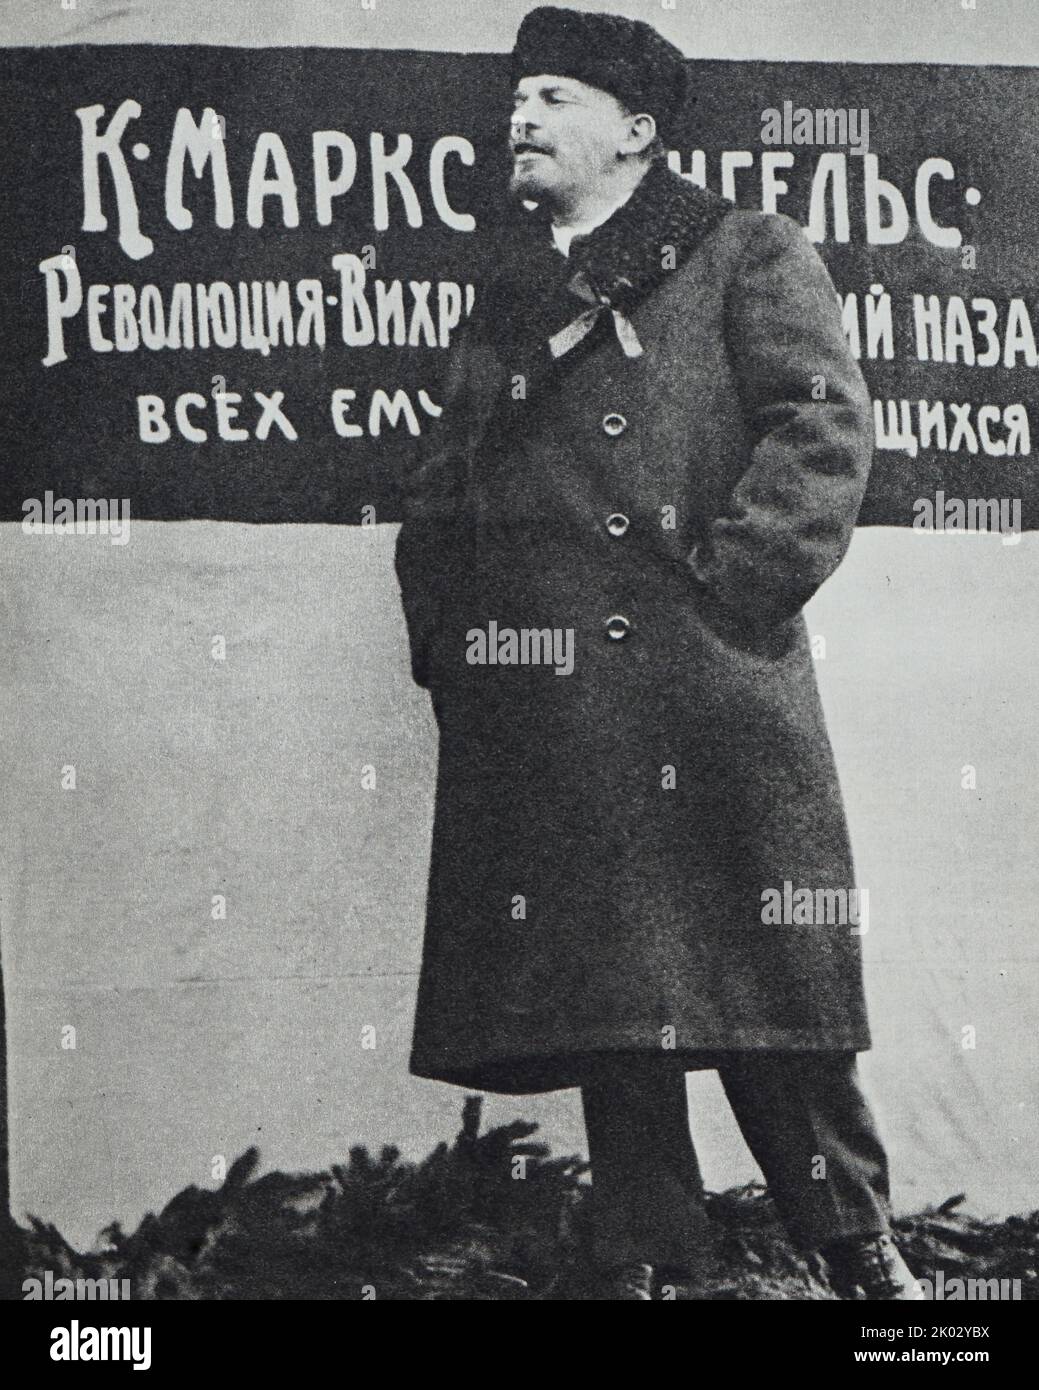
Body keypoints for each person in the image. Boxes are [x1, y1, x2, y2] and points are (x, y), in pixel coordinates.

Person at [394, 5, 923, 1301]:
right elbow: (442, 489)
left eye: (557, 97)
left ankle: (864, 1259)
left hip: (702, 687)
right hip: (555, 701)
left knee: (761, 994)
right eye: (520, 95)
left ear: (635, 129)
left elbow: (822, 428)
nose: (522, 115)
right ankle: (648, 1260)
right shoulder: (511, 293)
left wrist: (732, 593)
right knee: (611, 1003)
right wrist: (457, 646)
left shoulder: (745, 250)